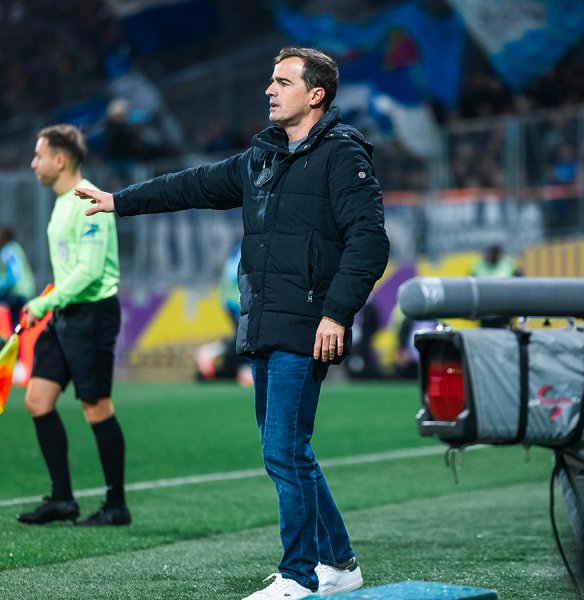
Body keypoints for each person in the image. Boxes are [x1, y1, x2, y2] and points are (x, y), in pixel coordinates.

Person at [76, 47, 390, 599]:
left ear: (316, 95)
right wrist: (118, 201)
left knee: (283, 450)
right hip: (265, 321)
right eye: (271, 80)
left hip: (306, 323)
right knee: (289, 450)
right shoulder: (262, 157)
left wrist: (336, 313)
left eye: (283, 82)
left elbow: (369, 242)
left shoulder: (342, 156)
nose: (270, 90)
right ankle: (339, 564)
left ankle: (299, 576)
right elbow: (189, 185)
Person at [17, 124, 130, 527]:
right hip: (65, 313)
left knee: (96, 407)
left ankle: (116, 506)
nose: (34, 164)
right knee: (37, 400)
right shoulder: (64, 201)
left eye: (39, 156)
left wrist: (44, 301)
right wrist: (49, 304)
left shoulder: (87, 199)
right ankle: (63, 499)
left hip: (92, 315)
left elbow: (90, 271)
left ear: (60, 160)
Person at [0, 227, 35, 330]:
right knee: (17, 325)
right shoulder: (16, 248)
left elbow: (14, 276)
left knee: (16, 323)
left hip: (17, 292)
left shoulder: (7, 251)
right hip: (27, 290)